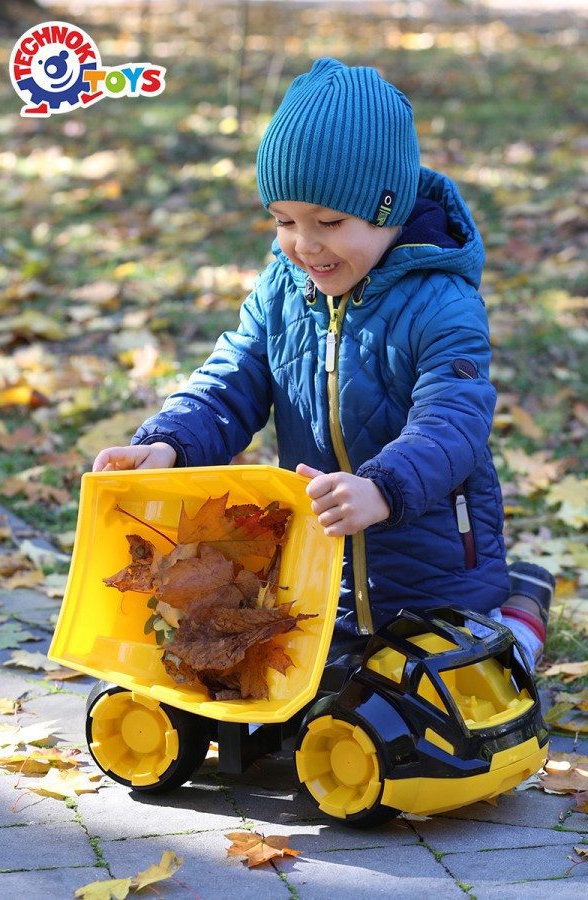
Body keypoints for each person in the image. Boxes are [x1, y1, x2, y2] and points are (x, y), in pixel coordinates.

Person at [93, 57, 554, 669]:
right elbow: (231, 380)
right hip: (323, 573)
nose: (304, 244)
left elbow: (454, 422)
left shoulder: (444, 305)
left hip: (435, 574)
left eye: (329, 222)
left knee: (475, 682)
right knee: (313, 696)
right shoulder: (283, 288)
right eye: (284, 221)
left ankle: (521, 611)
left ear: (386, 210)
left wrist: (384, 488)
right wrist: (172, 442)